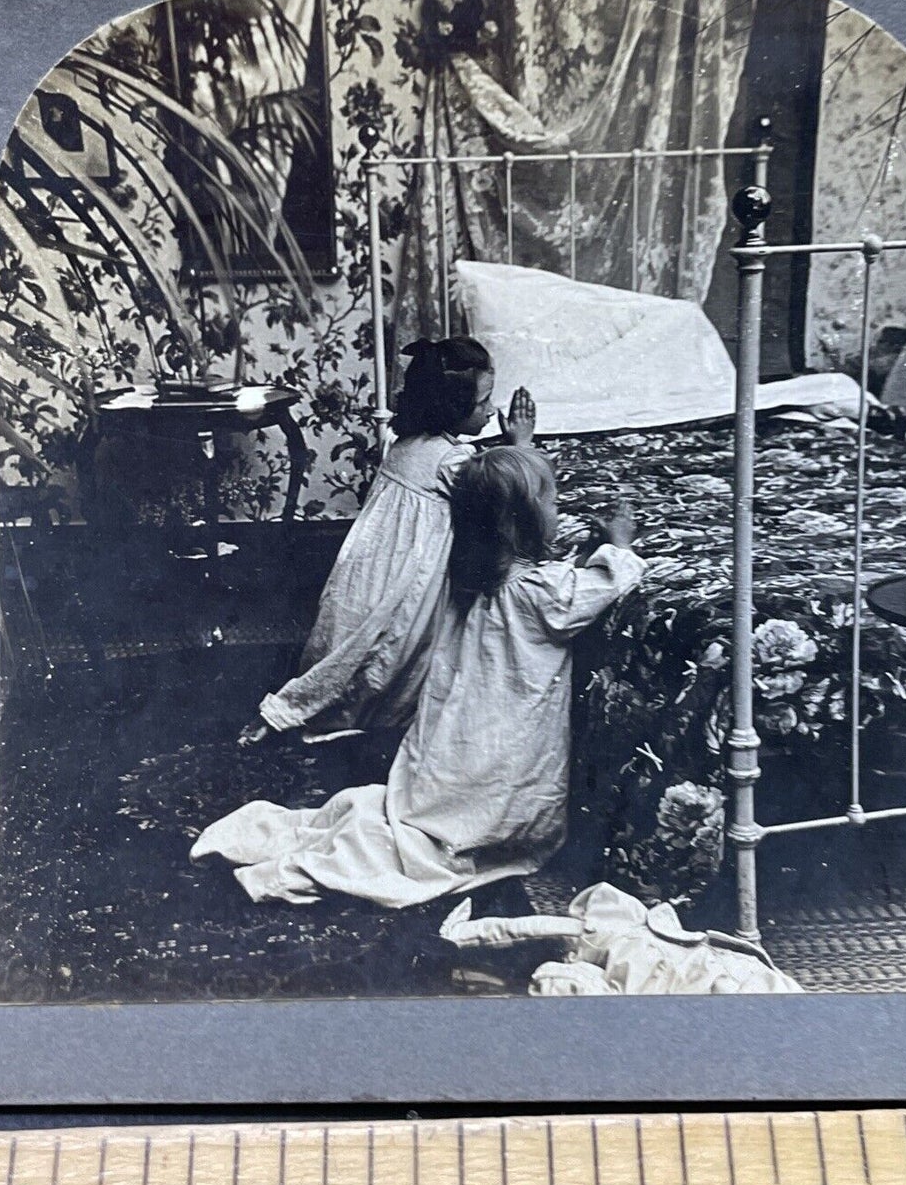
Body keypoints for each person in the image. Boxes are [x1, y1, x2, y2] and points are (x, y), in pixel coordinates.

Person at [191, 446, 644, 908]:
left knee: (419, 804)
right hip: (503, 755)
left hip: (453, 746)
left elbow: (563, 582)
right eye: (551, 503)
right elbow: (595, 589)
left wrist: (586, 553)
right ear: (515, 523)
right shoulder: (539, 592)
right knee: (485, 813)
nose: (557, 511)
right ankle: (475, 833)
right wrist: (619, 548)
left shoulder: (476, 577)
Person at [243, 336, 536, 744]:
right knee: (388, 648)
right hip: (405, 581)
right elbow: (507, 493)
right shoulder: (453, 462)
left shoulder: (404, 444)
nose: (491, 410)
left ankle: (297, 706)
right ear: (452, 409)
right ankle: (307, 712)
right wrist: (521, 445)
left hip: (369, 570)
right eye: (483, 402)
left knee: (349, 644)